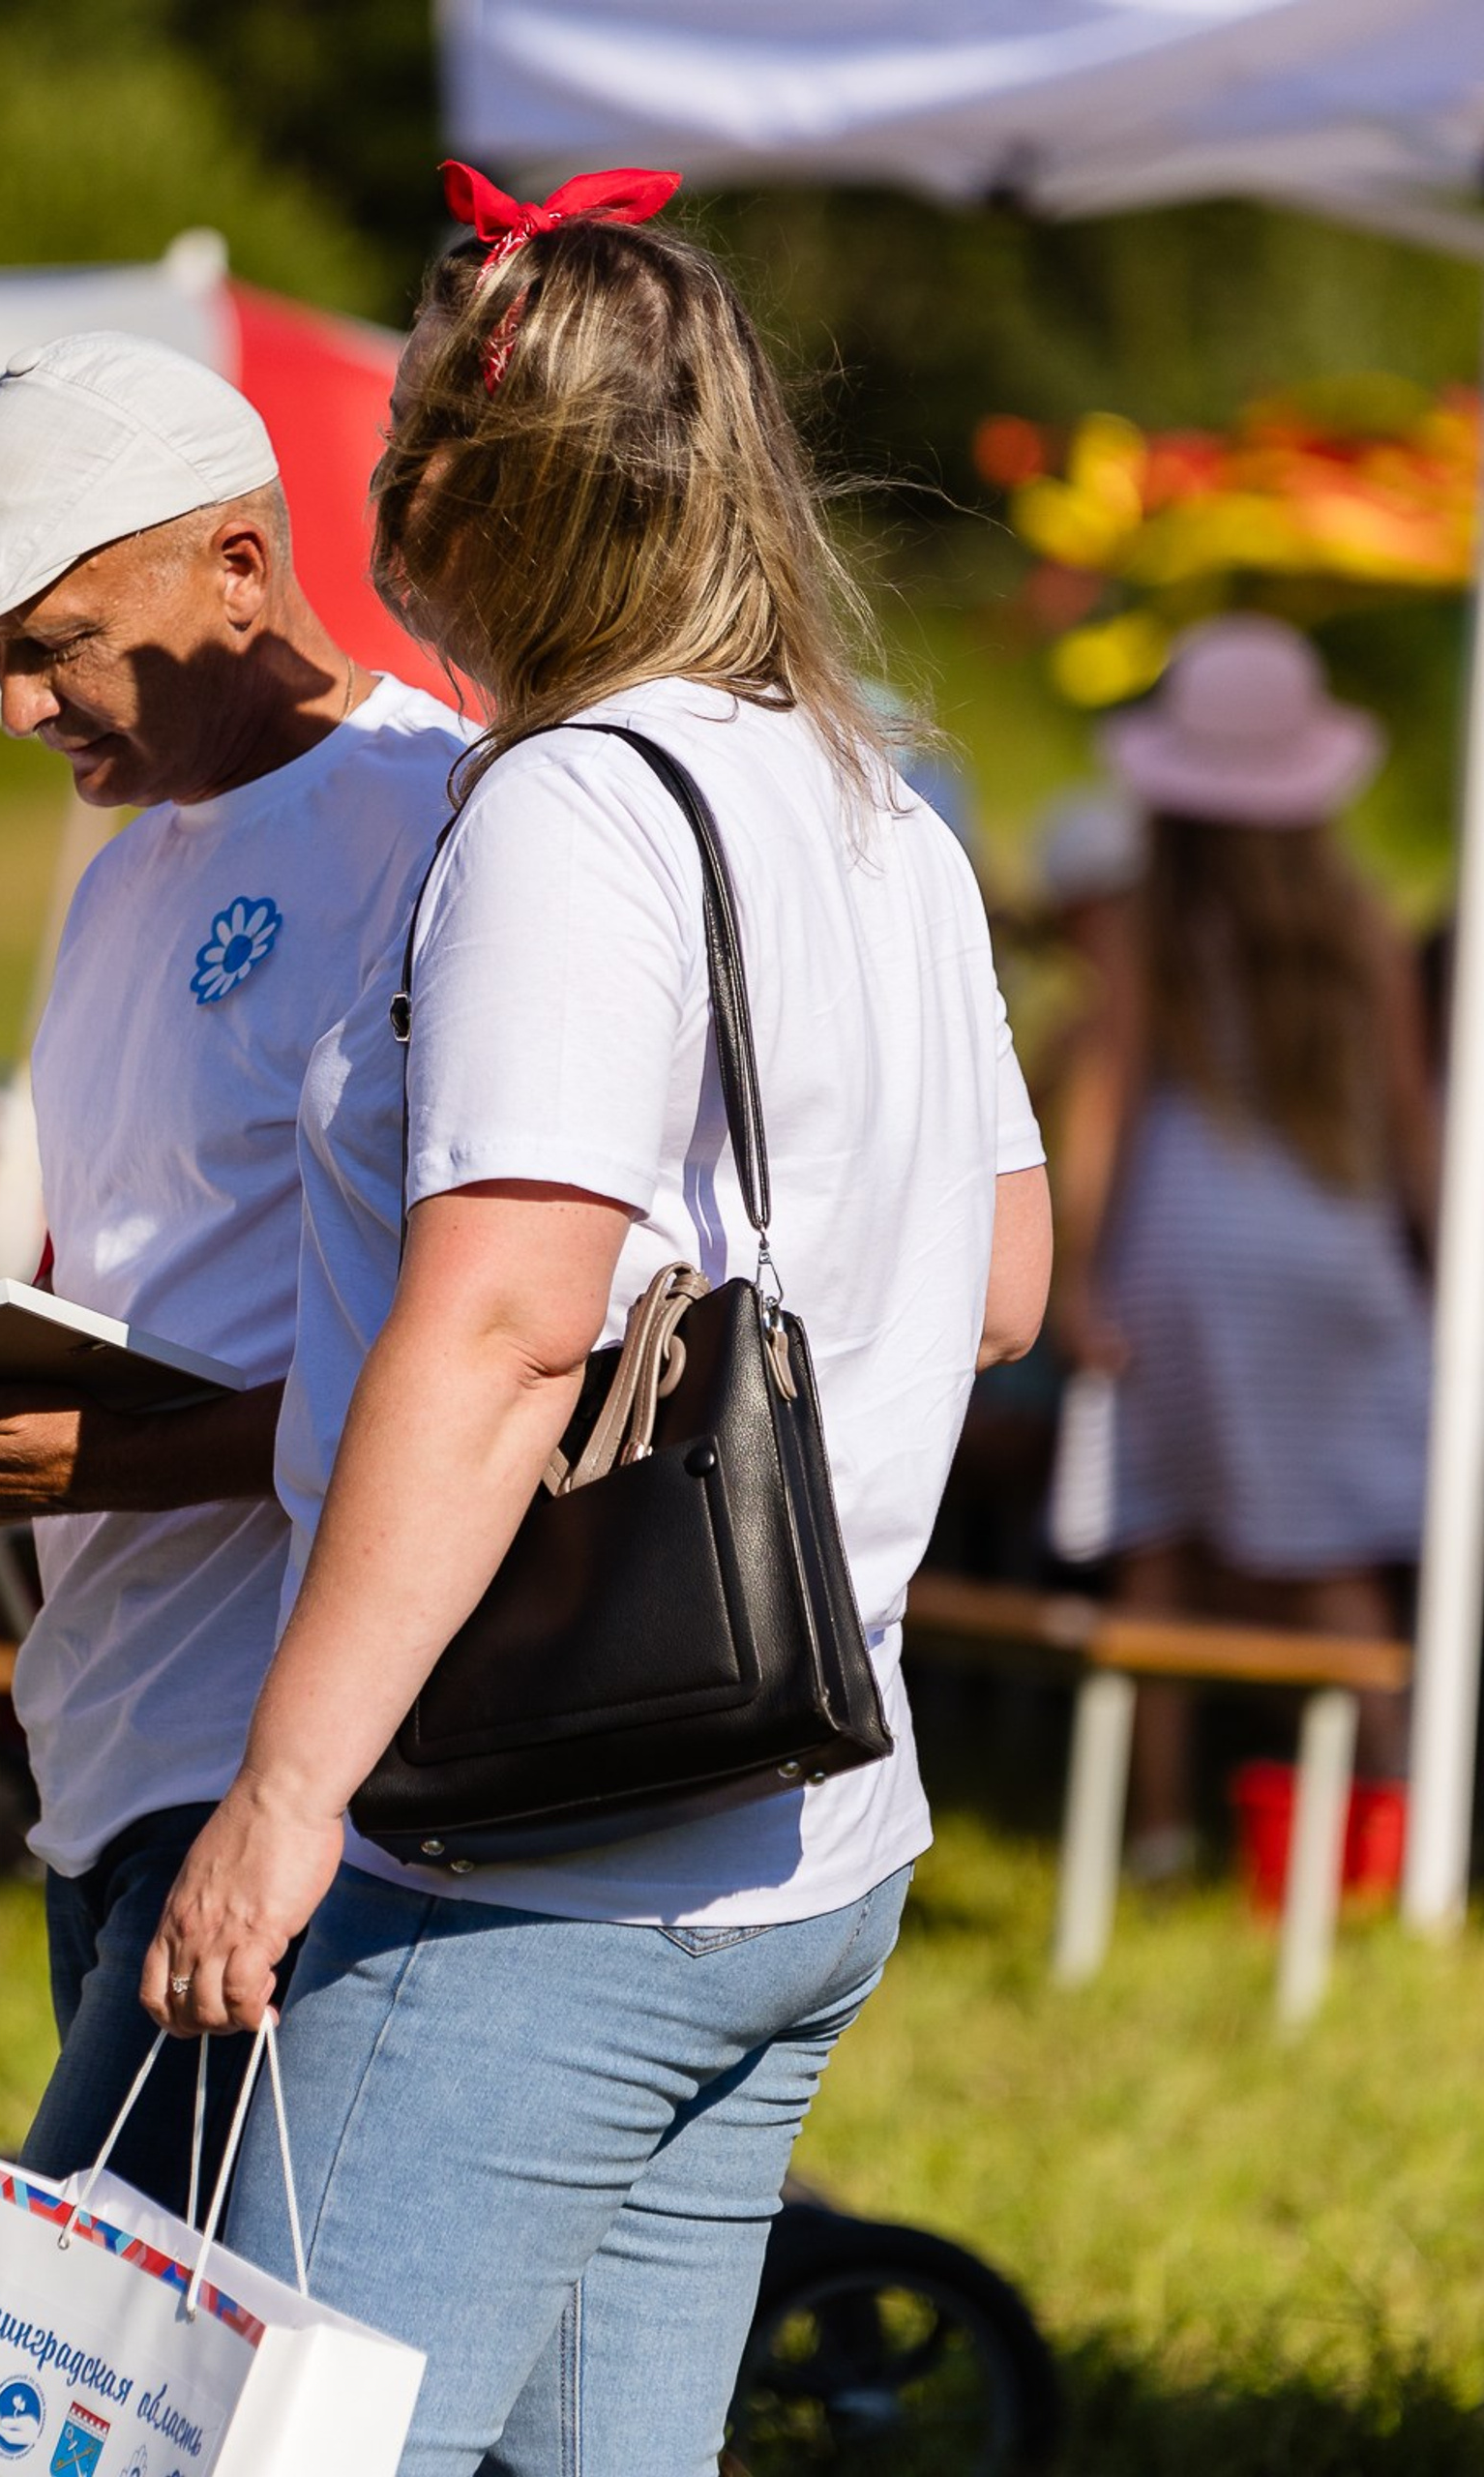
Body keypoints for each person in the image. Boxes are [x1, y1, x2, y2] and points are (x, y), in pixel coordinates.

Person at [141, 165, 1051, 2477]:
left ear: (475, 494)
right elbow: (1001, 1273)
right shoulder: (873, 801)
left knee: (277, 2450)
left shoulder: (567, 807)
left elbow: (505, 1327)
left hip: (540, 1854)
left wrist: (279, 1791)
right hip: (812, 1818)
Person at [0, 331, 470, 2213]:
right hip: (105, 1729)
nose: (20, 701)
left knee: (90, 2328)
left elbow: (484, 1361)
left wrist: (80, 1455)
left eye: (53, 639)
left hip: (307, 1763)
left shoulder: (440, 819)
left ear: (235, 562)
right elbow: (134, 1278)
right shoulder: (124, 859)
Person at [1053, 613, 1433, 1871]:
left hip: (1184, 1259)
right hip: (1337, 1255)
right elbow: (1410, 1120)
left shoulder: (1149, 923)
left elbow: (1101, 1108)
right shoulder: (1362, 922)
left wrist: (1077, 1278)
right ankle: (1393, 1832)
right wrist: (1439, 1268)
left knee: (1156, 1551)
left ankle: (1155, 1831)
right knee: (1333, 1572)